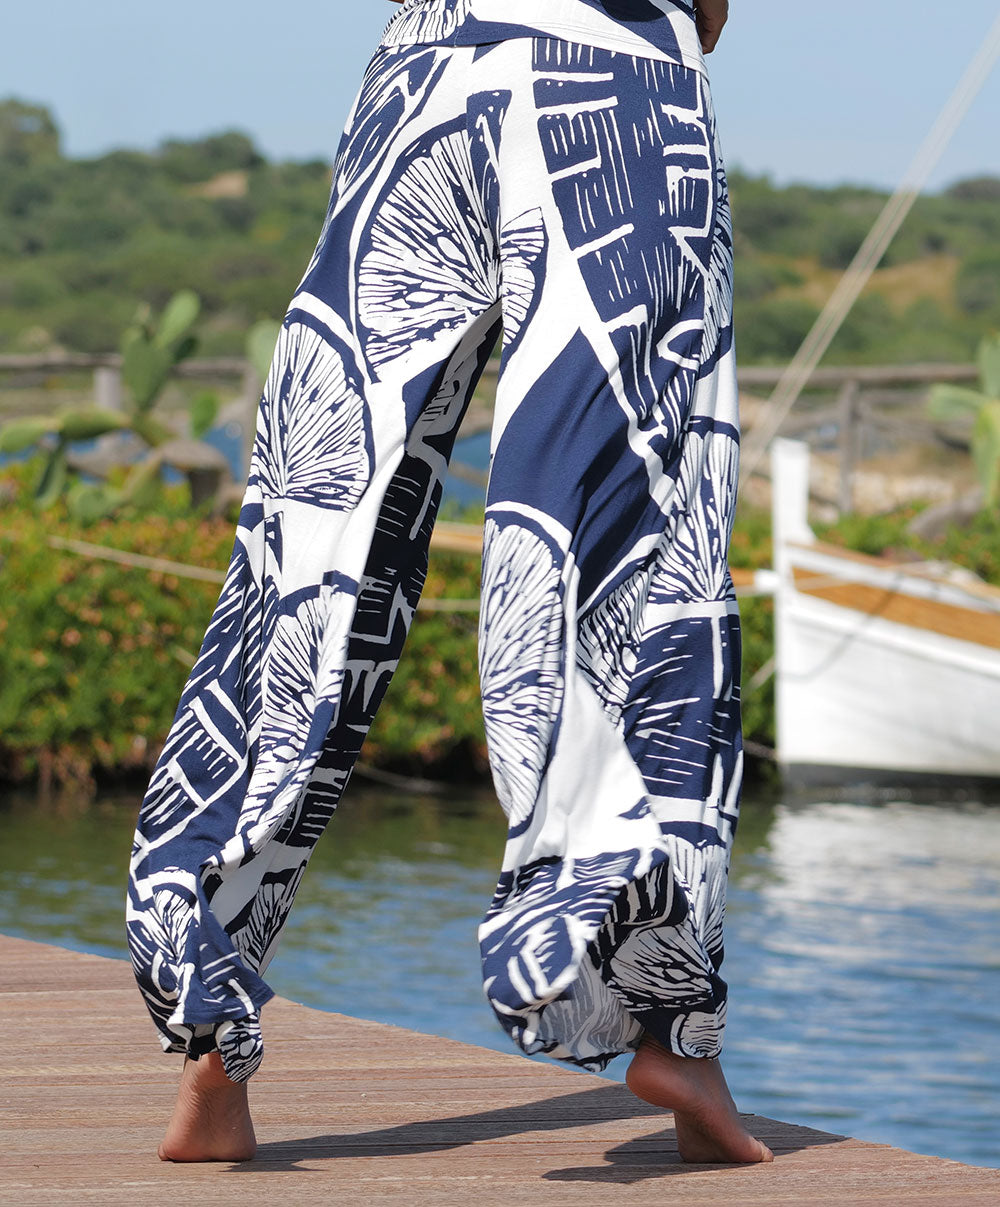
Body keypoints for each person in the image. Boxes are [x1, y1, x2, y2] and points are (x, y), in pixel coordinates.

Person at [126, 0, 773, 1166]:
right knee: (628, 544)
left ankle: (210, 1027)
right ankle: (668, 1022)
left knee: (311, 542)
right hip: (618, 73)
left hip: (425, 68)